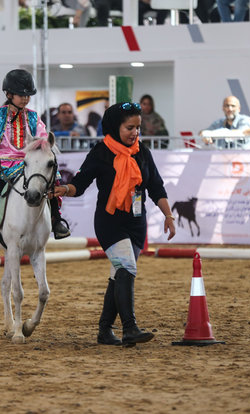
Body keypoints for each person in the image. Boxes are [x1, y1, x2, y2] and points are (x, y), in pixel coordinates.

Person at [52, 102, 176, 346]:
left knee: (118, 274)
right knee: (127, 268)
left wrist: (168, 216)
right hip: (110, 223)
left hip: (136, 224)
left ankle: (105, 330)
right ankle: (129, 328)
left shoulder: (143, 152)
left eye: (138, 128)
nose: (135, 133)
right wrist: (64, 189)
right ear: (114, 127)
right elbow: (80, 183)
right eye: (130, 127)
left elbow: (157, 187)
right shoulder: (101, 152)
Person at [0, 69, 70, 242]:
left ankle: (56, 219)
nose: (25, 98)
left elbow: (41, 133)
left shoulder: (33, 116)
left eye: (28, 95)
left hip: (25, 159)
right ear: (9, 94)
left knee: (53, 179)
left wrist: (43, 142)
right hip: (0, 158)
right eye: (20, 95)